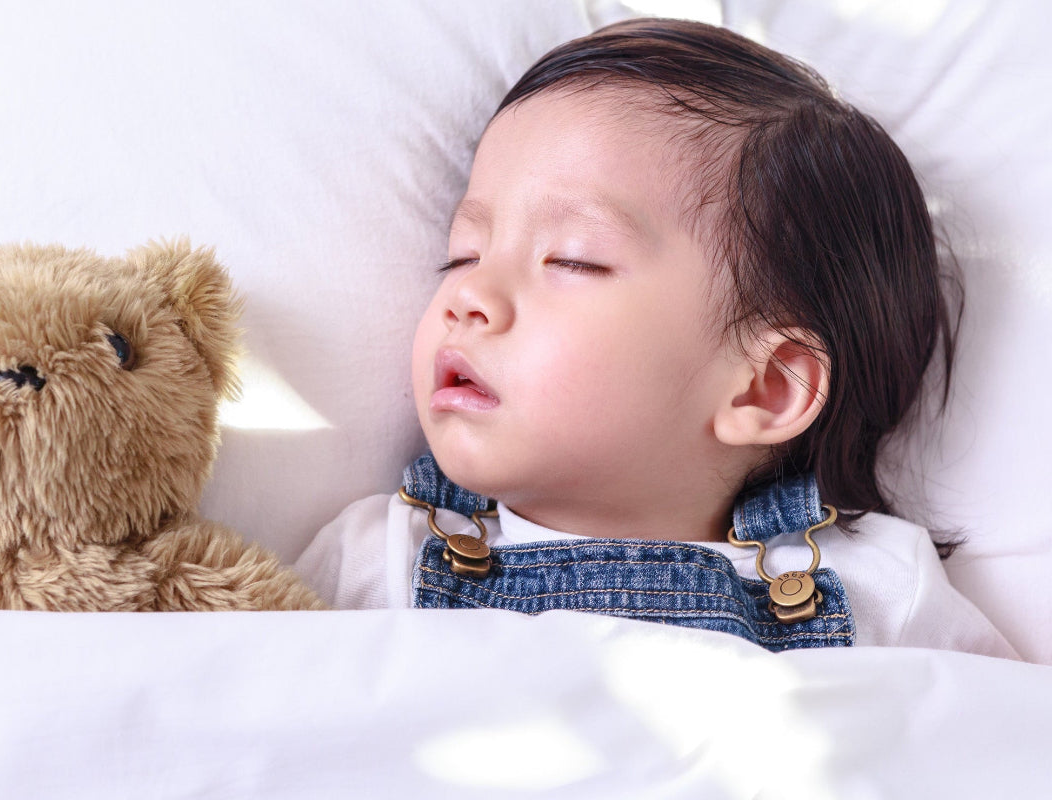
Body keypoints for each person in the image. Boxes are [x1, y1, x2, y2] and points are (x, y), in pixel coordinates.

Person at [295, 18, 1016, 656]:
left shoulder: (882, 593)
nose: (469, 297)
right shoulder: (379, 559)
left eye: (572, 259)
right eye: (463, 253)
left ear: (764, 387)